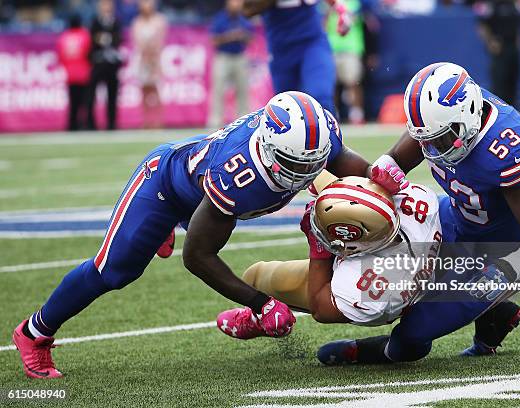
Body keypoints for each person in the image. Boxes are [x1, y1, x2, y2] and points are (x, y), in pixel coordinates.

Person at [12, 90, 402, 379]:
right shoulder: (241, 174)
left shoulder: (311, 136)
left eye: (311, 164)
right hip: (164, 187)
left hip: (203, 192)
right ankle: (34, 331)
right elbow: (197, 256)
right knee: (114, 271)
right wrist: (260, 303)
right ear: (269, 150)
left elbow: (339, 160)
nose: (305, 174)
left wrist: (377, 176)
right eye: (294, 165)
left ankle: (160, 232)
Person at [316, 62, 520, 363]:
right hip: (458, 219)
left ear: (468, 117)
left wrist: (503, 273)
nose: (431, 148)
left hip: (504, 250)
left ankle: (378, 350)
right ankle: (495, 317)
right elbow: (392, 162)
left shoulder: (507, 146)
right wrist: (372, 183)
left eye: (440, 138)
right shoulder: (440, 118)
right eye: (424, 138)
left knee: (412, 335)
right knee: (385, 250)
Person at [217, 174, 520, 365]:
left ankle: (360, 352)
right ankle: (494, 311)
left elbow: (322, 309)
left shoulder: (365, 286)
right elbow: (352, 189)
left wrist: (318, 246)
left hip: (409, 289)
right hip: (438, 256)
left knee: (409, 342)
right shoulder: (414, 200)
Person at [243, 0, 353, 114]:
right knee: (285, 108)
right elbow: (245, 9)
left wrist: (341, 10)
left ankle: (328, 130)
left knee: (320, 98)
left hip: (312, 42)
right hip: (281, 50)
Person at [209, 0, 253, 128]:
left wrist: (242, 36)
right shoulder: (220, 18)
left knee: (243, 90)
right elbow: (214, 40)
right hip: (223, 57)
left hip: (240, 56)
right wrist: (230, 36)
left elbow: (251, 38)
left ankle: (244, 123)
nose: (236, 4)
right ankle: (215, 122)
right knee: (218, 90)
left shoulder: (243, 18)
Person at [475, 0, 520, 107]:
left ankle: (514, 109)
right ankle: (498, 109)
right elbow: (482, 24)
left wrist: (519, 40)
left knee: (513, 79)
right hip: (499, 46)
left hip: (513, 46)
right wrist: (490, 41)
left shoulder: (513, 5)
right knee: (499, 80)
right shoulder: (491, 5)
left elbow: (518, 24)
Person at [326, 0, 367, 124]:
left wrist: (342, 13)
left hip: (351, 48)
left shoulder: (354, 3)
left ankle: (357, 114)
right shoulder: (325, 4)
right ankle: (332, 115)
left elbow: (353, 19)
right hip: (330, 48)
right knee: (330, 85)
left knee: (353, 82)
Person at [87, 0, 123, 130]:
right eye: (103, 5)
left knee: (112, 94)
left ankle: (112, 123)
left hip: (111, 63)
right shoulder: (95, 21)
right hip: (98, 62)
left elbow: (118, 39)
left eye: (108, 5)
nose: (106, 7)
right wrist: (104, 38)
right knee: (91, 95)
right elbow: (92, 38)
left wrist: (104, 38)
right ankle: (91, 124)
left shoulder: (115, 21)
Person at [131, 0, 167, 129]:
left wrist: (153, 57)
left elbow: (160, 40)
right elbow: (137, 42)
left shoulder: (159, 20)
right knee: (144, 91)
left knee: (156, 90)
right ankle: (146, 121)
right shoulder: (137, 22)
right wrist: (144, 55)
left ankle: (158, 121)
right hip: (142, 60)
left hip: (155, 60)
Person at [57, 14, 92, 131]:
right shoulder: (85, 35)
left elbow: (61, 57)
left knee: (73, 103)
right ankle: (86, 125)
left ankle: (72, 125)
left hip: (71, 75)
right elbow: (89, 53)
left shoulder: (64, 37)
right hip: (84, 73)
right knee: (86, 103)